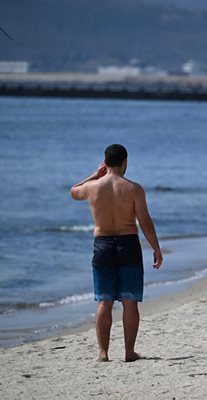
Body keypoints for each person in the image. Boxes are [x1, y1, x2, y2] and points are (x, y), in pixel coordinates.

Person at [70, 144, 163, 362]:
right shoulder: (134, 189)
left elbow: (74, 192)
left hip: (102, 245)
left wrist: (94, 175)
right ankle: (129, 353)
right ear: (125, 162)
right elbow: (145, 222)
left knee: (104, 301)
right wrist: (156, 248)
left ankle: (103, 353)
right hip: (128, 244)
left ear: (105, 162)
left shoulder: (92, 187)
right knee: (130, 302)